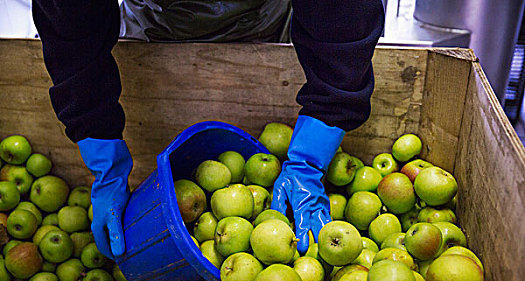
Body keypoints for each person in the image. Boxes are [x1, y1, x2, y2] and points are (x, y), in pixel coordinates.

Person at [32, 0, 385, 259]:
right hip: (157, 23)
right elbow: (69, 21)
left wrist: (311, 152)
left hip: (268, 19)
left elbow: (344, 15)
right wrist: (98, 143)